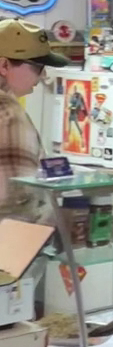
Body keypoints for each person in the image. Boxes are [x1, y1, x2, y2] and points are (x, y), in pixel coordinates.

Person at [0, 19, 65, 210]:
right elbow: (16, 199)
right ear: (4, 66)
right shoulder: (8, 113)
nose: (43, 75)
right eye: (38, 67)